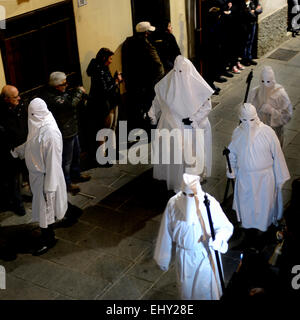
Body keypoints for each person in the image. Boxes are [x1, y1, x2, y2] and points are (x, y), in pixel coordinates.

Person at [154, 173, 233, 300]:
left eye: (192, 195)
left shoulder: (209, 203)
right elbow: (166, 232)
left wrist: (218, 240)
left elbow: (225, 226)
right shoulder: (173, 204)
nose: (189, 199)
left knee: (205, 290)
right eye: (186, 195)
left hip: (204, 255)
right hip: (184, 256)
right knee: (186, 291)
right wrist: (163, 257)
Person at [226, 103, 290, 247]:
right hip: (245, 178)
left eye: (251, 120)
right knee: (247, 206)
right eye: (245, 120)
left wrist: (281, 176)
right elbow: (232, 153)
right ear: (240, 119)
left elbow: (277, 155)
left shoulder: (268, 132)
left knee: (264, 206)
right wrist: (231, 169)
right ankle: (249, 233)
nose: (249, 125)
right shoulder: (237, 132)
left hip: (264, 178)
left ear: (256, 117)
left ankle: (265, 232)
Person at [148, 55, 213, 192]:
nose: (179, 76)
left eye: (182, 72)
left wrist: (194, 119)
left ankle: (191, 178)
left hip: (190, 127)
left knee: (189, 155)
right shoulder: (167, 83)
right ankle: (174, 178)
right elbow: (158, 100)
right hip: (171, 126)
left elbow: (206, 106)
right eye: (177, 72)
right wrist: (152, 114)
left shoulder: (197, 84)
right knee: (174, 155)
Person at [11, 98, 68, 256]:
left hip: (46, 178)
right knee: (45, 210)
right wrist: (18, 151)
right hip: (38, 177)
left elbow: (54, 162)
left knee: (46, 210)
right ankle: (48, 233)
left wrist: (49, 187)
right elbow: (33, 142)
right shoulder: (38, 123)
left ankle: (48, 240)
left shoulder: (50, 132)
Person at [41, 71, 91, 194]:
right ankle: (66, 183)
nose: (66, 85)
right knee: (65, 161)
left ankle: (76, 174)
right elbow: (69, 105)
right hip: (64, 133)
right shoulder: (51, 97)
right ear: (57, 86)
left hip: (72, 130)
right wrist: (79, 92)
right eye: (64, 84)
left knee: (76, 155)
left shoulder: (62, 92)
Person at [122, 21, 165, 129]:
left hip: (132, 82)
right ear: (145, 33)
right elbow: (157, 64)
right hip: (146, 82)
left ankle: (137, 129)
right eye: (148, 32)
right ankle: (148, 127)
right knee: (148, 105)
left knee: (135, 108)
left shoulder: (127, 43)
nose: (149, 34)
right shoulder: (146, 44)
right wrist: (159, 78)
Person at [86, 48, 122, 164]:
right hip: (103, 104)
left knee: (112, 129)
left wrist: (115, 79)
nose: (111, 61)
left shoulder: (104, 68)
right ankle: (102, 157)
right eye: (110, 58)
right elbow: (104, 90)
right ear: (104, 58)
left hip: (111, 101)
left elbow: (108, 84)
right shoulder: (98, 70)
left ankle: (111, 153)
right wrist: (116, 81)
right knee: (104, 130)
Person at [247, 66, 293, 146]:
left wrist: (272, 111)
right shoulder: (254, 92)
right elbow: (247, 110)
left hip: (274, 135)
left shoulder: (280, 94)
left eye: (268, 81)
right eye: (262, 81)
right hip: (257, 135)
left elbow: (287, 115)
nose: (265, 85)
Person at [0, 85, 28, 216]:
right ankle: (18, 204)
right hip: (10, 152)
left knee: (30, 174)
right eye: (15, 97)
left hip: (25, 147)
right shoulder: (1, 112)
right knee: (13, 180)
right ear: (6, 99)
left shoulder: (21, 106)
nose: (19, 98)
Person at [240, 0, 262, 66]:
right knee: (246, 41)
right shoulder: (244, 3)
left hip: (253, 23)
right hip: (246, 24)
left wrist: (254, 11)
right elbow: (248, 14)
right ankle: (244, 59)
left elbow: (260, 10)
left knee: (251, 41)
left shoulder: (254, 1)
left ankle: (249, 58)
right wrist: (254, 11)